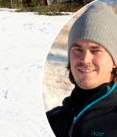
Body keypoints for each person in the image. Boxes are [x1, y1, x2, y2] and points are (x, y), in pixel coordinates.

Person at [46, 2, 117, 137]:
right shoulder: (52, 119)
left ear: (114, 60)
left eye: (96, 50)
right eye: (77, 49)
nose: (85, 59)